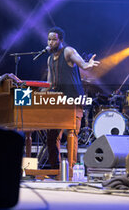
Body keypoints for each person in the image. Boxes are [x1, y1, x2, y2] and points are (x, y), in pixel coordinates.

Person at [45, 27, 100, 169]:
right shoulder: (50, 59)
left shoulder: (68, 51)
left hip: (73, 99)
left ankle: (71, 168)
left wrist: (88, 65)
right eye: (49, 39)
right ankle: (55, 168)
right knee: (52, 136)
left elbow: (82, 64)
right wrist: (38, 91)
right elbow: (50, 84)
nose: (51, 42)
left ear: (61, 40)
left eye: (54, 39)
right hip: (58, 100)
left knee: (71, 133)